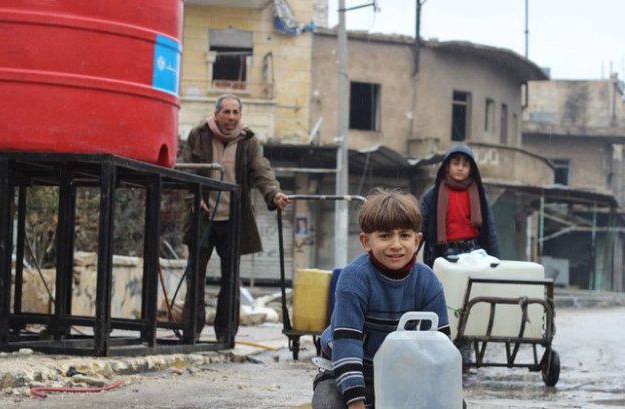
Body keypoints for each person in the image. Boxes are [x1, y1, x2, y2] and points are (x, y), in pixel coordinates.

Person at [312, 188, 452, 409]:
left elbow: (439, 348)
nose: (396, 244)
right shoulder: (354, 278)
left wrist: (435, 393)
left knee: (453, 403)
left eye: (404, 235)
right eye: (385, 236)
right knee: (328, 404)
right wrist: (356, 404)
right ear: (366, 241)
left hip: (401, 375)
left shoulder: (428, 281)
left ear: (417, 240)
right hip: (346, 370)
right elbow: (347, 344)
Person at [180, 94, 290, 342]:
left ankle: (225, 335)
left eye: (235, 112)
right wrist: (193, 198)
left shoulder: (248, 140)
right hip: (202, 217)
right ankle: (191, 332)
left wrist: (274, 194)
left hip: (233, 219)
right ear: (216, 113)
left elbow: (261, 170)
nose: (231, 117)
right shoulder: (199, 135)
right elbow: (186, 170)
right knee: (195, 276)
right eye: (226, 112)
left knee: (230, 280)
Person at [419, 143, 501, 370]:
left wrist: (497, 261)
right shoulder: (433, 195)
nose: (460, 168)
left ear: (472, 168)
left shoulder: (479, 194)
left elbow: (490, 229)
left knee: (470, 302)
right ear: (446, 166)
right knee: (445, 303)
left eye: (465, 164)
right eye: (456, 163)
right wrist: (408, 253)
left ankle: (463, 351)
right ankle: (442, 348)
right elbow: (420, 227)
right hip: (445, 256)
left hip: (475, 255)